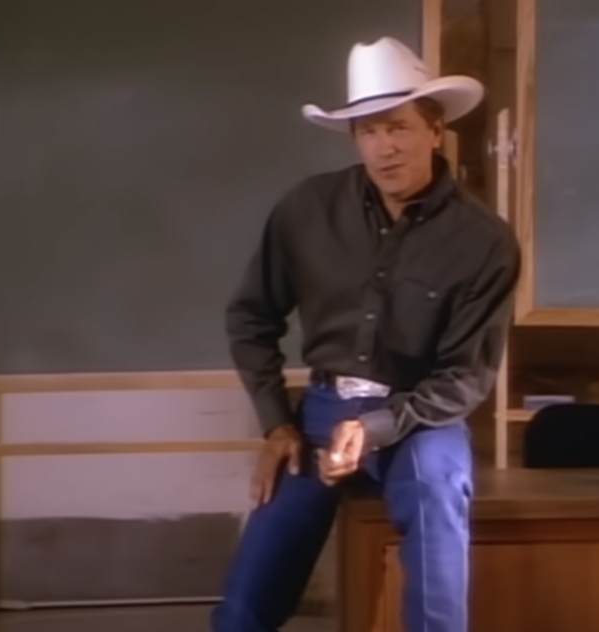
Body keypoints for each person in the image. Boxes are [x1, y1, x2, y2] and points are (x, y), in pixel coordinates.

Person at [212, 36, 521, 632]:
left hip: (419, 417)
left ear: (435, 130)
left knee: (437, 493)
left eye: (398, 127)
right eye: (368, 131)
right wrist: (277, 423)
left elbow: (465, 377)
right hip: (322, 410)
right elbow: (251, 317)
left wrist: (377, 426)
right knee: (247, 596)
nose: (385, 148)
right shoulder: (307, 209)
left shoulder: (485, 241)